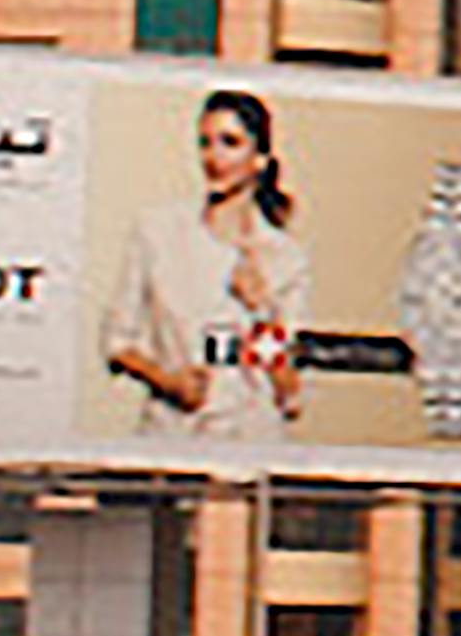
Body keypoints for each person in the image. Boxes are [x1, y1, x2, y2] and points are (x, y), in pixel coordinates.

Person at [96, 86, 307, 432]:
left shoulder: (284, 257)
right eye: (205, 143)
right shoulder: (158, 232)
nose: (214, 157)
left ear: (260, 158)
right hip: (171, 437)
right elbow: (117, 343)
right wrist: (168, 382)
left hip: (248, 440)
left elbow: (289, 395)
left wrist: (261, 309)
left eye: (230, 142)